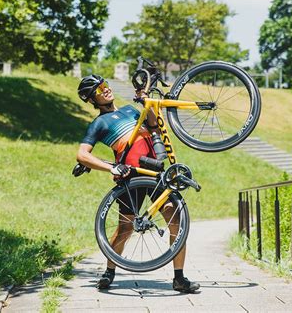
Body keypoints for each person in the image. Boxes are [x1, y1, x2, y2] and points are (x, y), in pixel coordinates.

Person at [76, 74, 200, 293]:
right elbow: (82, 155)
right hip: (130, 178)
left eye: (104, 85)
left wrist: (144, 99)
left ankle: (179, 278)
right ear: (92, 100)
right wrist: (111, 167)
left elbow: (153, 124)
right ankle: (109, 272)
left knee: (176, 220)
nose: (105, 90)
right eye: (98, 90)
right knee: (125, 228)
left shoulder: (129, 110)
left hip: (154, 173)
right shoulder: (99, 124)